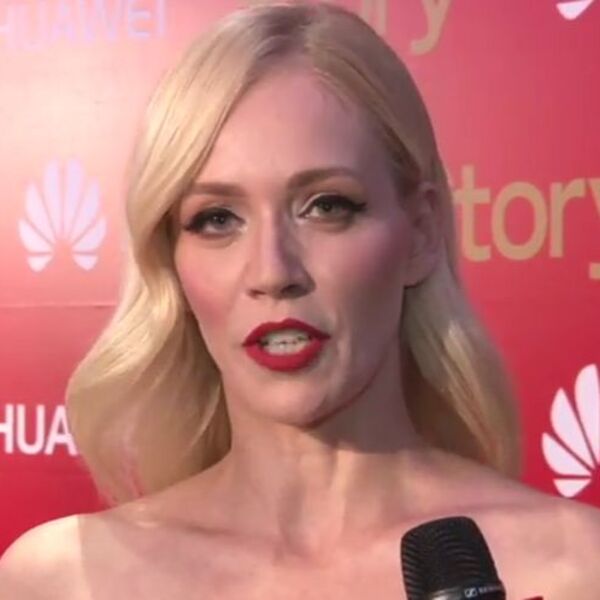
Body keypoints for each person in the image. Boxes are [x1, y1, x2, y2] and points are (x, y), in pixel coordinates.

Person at [1, 1, 599, 598]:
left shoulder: (575, 566)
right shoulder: (66, 579)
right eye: (217, 218)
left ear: (421, 233)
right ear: (172, 258)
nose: (273, 271)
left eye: (326, 206)